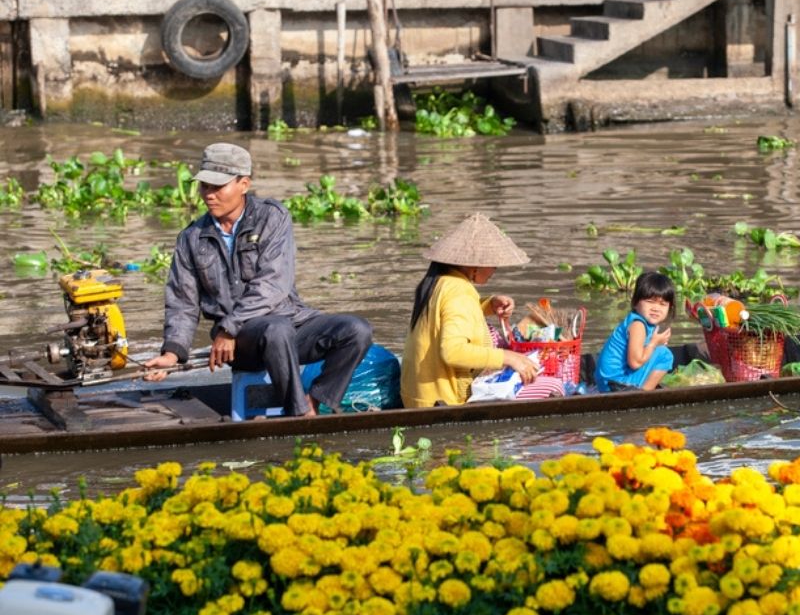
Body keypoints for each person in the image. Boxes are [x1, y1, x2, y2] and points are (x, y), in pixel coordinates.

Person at [143, 142, 373, 417]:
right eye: (205, 186)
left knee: (356, 330)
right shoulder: (191, 238)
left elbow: (274, 284)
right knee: (275, 329)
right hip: (241, 343)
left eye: (218, 187)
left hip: (287, 321)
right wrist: (171, 354)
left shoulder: (272, 218)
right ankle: (300, 415)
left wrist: (229, 326)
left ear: (244, 184)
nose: (209, 195)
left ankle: (314, 401)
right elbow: (182, 303)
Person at [401, 212, 563, 408]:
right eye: (492, 265)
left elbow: (446, 314)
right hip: (441, 401)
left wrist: (488, 304)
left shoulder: (439, 282)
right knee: (555, 385)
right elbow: (451, 352)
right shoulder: (459, 292)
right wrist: (510, 358)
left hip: (415, 395)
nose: (494, 271)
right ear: (473, 265)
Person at [595, 271, 676, 392]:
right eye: (650, 302)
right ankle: (642, 396)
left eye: (663, 304)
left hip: (609, 381)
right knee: (665, 355)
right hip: (614, 384)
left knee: (659, 351)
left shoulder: (641, 322)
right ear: (636, 303)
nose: (656, 308)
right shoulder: (638, 325)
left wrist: (653, 345)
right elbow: (635, 363)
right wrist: (653, 344)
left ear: (670, 308)